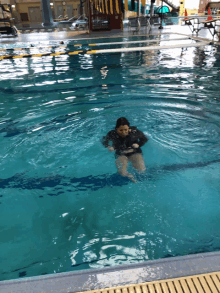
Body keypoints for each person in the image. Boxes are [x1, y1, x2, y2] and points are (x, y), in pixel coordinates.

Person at [102, 117, 148, 182]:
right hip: (121, 153)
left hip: (134, 152)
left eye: (126, 130)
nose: (123, 132)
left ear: (129, 129)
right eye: (121, 130)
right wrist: (108, 146)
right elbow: (104, 140)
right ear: (116, 129)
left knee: (142, 170)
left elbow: (144, 139)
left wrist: (138, 144)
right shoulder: (112, 134)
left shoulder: (134, 132)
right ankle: (130, 176)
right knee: (122, 173)